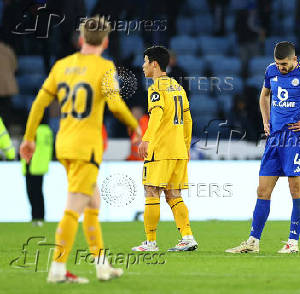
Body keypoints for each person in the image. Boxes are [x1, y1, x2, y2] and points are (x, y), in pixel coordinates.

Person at [20, 16, 141, 283]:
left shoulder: (62, 65)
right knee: (74, 206)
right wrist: (136, 126)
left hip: (64, 144)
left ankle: (102, 266)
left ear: (81, 39)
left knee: (93, 202)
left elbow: (39, 104)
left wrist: (28, 139)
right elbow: (116, 105)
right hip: (86, 148)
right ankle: (58, 269)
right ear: (106, 41)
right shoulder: (104, 67)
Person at [226, 41, 300, 254]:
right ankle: (252, 242)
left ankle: (292, 243)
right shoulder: (271, 70)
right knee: (262, 190)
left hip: (295, 140)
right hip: (274, 140)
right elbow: (264, 96)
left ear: (295, 59)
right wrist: (266, 121)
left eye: (285, 64)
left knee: (296, 189)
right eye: (278, 63)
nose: (281, 67)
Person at [131, 46, 198, 252]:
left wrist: (146, 139)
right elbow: (188, 119)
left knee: (151, 191)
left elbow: (157, 114)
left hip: (161, 149)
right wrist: (185, 146)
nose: (142, 66)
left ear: (154, 64)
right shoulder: (177, 87)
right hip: (178, 150)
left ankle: (150, 242)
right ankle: (187, 237)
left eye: (144, 62)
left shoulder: (156, 88)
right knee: (173, 194)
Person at [21, 115, 53, 226]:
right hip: (42, 166)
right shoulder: (48, 131)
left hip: (32, 166)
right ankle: (40, 218)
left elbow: (28, 148)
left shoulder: (33, 131)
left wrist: (27, 164)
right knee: (39, 193)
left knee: (32, 193)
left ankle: (36, 218)